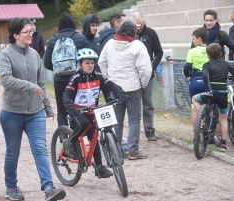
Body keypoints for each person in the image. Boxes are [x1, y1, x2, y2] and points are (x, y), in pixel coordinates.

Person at [0, 17, 66, 201]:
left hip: (35, 113)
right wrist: (29, 85)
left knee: (40, 149)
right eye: (27, 31)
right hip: (12, 113)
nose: (31, 34)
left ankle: (48, 187)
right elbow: (5, 79)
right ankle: (11, 187)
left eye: (31, 31)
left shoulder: (35, 54)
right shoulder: (5, 54)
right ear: (15, 35)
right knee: (13, 151)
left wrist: (48, 107)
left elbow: (41, 83)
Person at [63, 48, 125, 177]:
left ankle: (100, 167)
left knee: (95, 135)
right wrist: (70, 107)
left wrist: (120, 92)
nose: (90, 65)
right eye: (87, 63)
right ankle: (71, 143)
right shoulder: (76, 78)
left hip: (92, 110)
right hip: (77, 111)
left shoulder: (98, 76)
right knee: (84, 123)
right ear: (79, 64)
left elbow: (109, 84)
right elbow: (67, 94)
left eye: (92, 63)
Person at [98, 20, 152, 160]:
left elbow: (101, 62)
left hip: (115, 88)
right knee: (134, 120)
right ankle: (133, 150)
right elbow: (145, 69)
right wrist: (143, 83)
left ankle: (117, 150)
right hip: (133, 87)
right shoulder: (138, 46)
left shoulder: (110, 44)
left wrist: (109, 78)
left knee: (117, 121)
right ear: (134, 32)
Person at [44, 12, 90, 127]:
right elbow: (89, 59)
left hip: (59, 80)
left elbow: (47, 63)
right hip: (77, 78)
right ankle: (75, 136)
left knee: (61, 111)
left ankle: (64, 139)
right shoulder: (81, 38)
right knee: (76, 107)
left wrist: (59, 70)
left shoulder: (53, 40)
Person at [191, 43, 234, 151]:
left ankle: (204, 114)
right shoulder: (226, 64)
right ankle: (223, 143)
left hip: (210, 94)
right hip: (222, 94)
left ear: (208, 55)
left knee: (194, 98)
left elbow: (204, 76)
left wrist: (209, 89)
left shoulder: (207, 65)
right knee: (223, 119)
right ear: (221, 54)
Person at [131, 12, 163, 141]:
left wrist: (151, 67)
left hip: (148, 75)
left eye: (141, 24)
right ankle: (134, 132)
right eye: (136, 24)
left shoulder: (151, 33)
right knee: (134, 105)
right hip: (133, 75)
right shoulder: (129, 35)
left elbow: (159, 53)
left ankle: (149, 130)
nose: (138, 27)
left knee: (148, 103)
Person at [184, 27, 209, 130]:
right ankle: (208, 129)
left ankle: (195, 132)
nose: (193, 41)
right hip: (207, 81)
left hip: (195, 80)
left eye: (193, 38)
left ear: (199, 39)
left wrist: (188, 76)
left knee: (194, 108)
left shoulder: (192, 51)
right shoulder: (210, 50)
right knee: (208, 105)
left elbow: (187, 68)